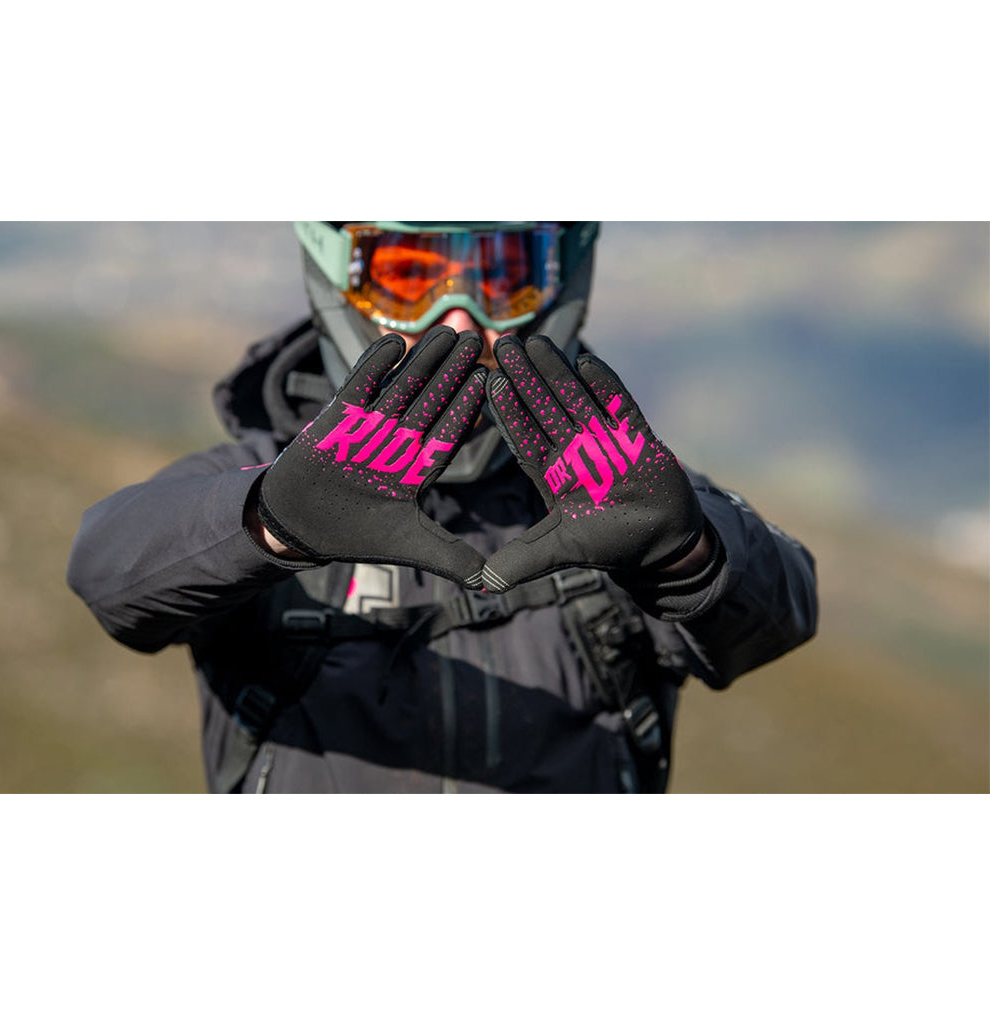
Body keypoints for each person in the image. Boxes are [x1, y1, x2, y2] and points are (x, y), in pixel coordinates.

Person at [67, 221, 818, 793]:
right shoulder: (265, 474)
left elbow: (782, 615)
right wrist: (269, 522)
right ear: (340, 280)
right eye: (408, 275)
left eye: (501, 275)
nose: (459, 319)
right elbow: (107, 573)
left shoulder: (616, 490)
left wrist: (687, 552)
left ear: (558, 279)